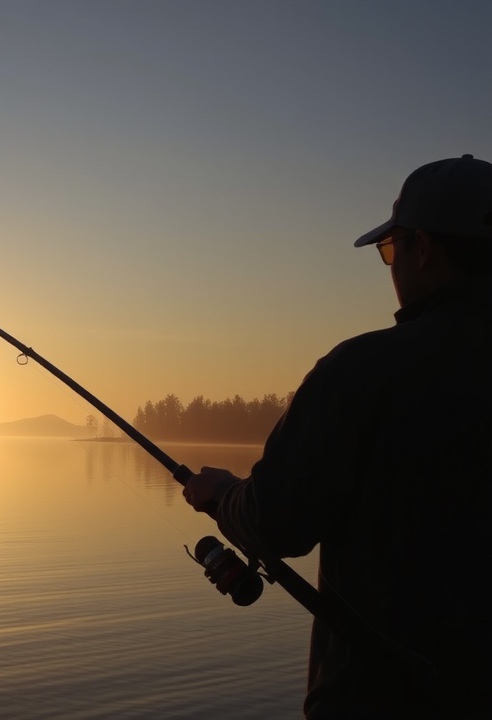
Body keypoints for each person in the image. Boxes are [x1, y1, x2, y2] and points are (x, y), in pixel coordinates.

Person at [182, 154, 492, 719]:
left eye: (390, 249)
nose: (391, 266)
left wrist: (223, 495)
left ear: (424, 249)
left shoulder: (363, 372)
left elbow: (278, 520)